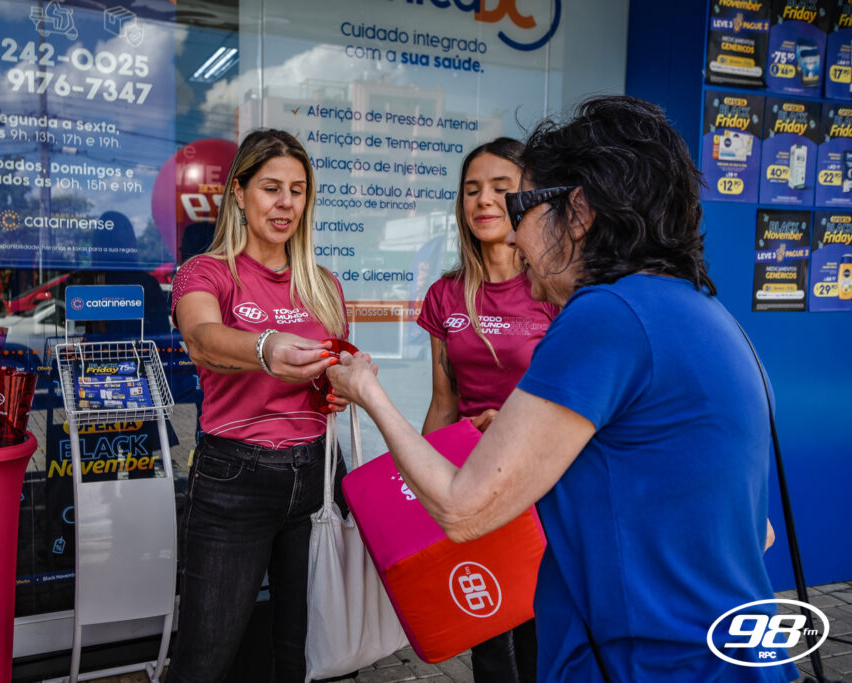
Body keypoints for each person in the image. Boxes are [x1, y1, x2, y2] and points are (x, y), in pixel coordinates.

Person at [327, 96, 797, 682]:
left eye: (519, 206)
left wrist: (368, 392)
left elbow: (461, 508)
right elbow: (756, 529)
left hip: (645, 664)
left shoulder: (605, 316)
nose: (514, 237)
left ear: (576, 213)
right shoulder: (702, 312)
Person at [168, 128, 355, 683]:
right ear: (239, 193)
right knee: (205, 657)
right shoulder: (206, 272)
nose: (285, 203)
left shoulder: (323, 285)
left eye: (297, 190)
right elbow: (201, 338)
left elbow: (330, 374)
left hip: (318, 472)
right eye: (271, 188)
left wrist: (343, 383)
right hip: (235, 477)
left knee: (301, 651)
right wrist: (265, 348)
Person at [418, 138, 556, 683]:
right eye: (472, 190)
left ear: (529, 198)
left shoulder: (555, 289)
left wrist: (517, 427)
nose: (484, 201)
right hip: (474, 481)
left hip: (542, 483)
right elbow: (443, 403)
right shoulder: (445, 295)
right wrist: (420, 487)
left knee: (542, 628)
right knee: (488, 629)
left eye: (501, 189)